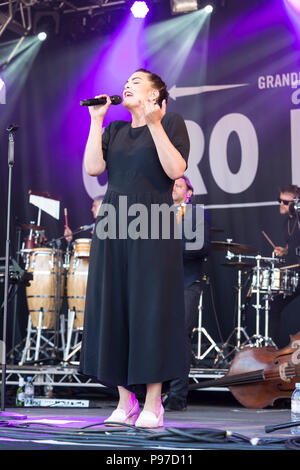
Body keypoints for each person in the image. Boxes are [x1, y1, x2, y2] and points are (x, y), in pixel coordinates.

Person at [78, 69, 190, 428]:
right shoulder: (114, 130)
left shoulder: (171, 122)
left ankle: (153, 403)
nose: (127, 84)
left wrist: (155, 122)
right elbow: (94, 167)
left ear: (157, 95)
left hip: (152, 221)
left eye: (137, 81)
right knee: (115, 307)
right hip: (113, 222)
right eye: (127, 81)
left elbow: (176, 169)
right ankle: (125, 399)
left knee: (150, 309)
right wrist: (97, 121)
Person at [163, 176, 210, 411]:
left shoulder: (197, 214)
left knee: (181, 336)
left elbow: (200, 247)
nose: (173, 188)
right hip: (160, 285)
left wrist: (169, 246)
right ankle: (152, 392)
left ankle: (177, 397)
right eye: (171, 184)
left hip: (187, 282)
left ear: (189, 192)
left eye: (178, 185)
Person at [268, 184, 300, 347]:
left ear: (295, 204)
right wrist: (285, 251)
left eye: (285, 202)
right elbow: (295, 246)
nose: (281, 204)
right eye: (279, 201)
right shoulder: (287, 223)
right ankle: (271, 351)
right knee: (274, 305)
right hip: (294, 274)